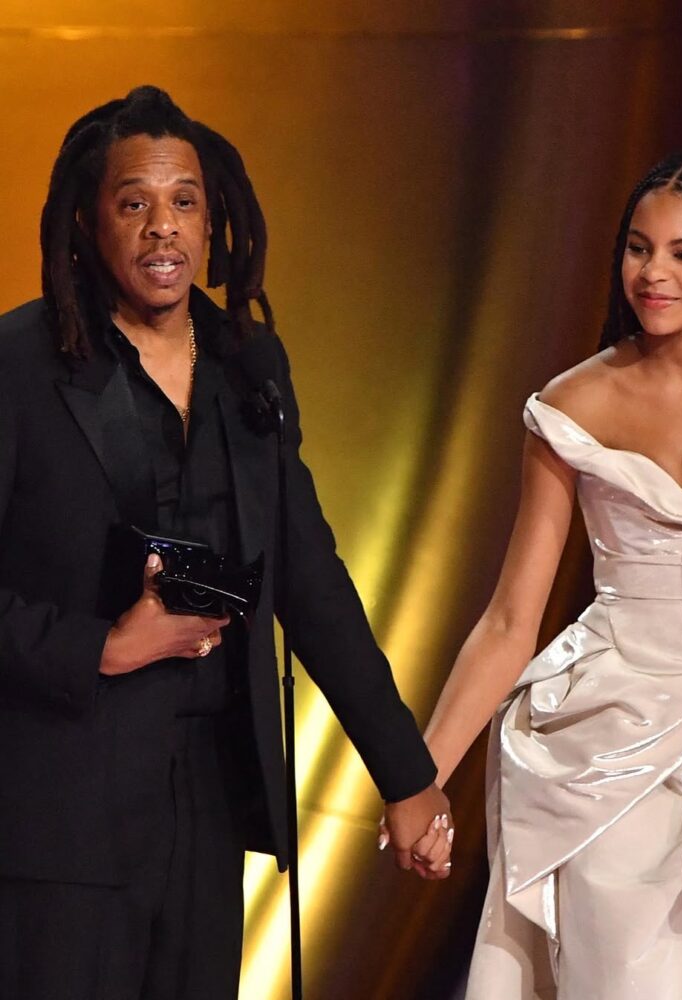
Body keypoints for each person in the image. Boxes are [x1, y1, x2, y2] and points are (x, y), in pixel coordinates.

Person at [0, 85, 451, 1000]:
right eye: (134, 203)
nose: (163, 228)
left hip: (208, 787)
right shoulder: (20, 365)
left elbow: (311, 578)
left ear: (213, 221)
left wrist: (406, 776)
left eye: (184, 202)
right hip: (62, 807)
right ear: (88, 223)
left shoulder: (249, 363)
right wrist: (102, 647)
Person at [418, 153, 682, 998]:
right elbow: (511, 621)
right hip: (610, 751)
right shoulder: (573, 405)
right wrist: (421, 778)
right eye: (638, 248)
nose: (653, 272)